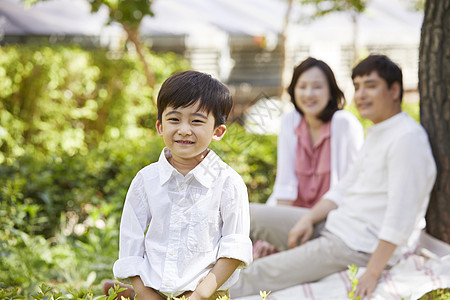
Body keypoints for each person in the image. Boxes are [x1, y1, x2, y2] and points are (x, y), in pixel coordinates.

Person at [230, 54, 437, 299]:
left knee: (258, 273)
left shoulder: (407, 139)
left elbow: (401, 217)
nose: (360, 95)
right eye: (357, 86)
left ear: (394, 90)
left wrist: (371, 273)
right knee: (245, 214)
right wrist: (308, 219)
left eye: (370, 86)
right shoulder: (380, 132)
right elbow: (343, 189)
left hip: (356, 246)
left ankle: (196, 292)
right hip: (334, 224)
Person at [112, 70, 252, 300]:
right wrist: (146, 294)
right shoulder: (146, 181)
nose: (184, 130)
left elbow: (234, 249)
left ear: (217, 131)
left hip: (207, 295)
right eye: (174, 119)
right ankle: (120, 292)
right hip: (150, 293)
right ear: (160, 127)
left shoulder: (228, 183)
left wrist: (198, 296)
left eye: (197, 121)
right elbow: (130, 244)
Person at [252, 57, 364, 258]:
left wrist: (308, 220)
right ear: (293, 91)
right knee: (256, 239)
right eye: (302, 86)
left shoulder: (345, 124)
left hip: (331, 219)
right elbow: (284, 185)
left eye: (317, 87)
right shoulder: (290, 122)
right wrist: (273, 233)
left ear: (330, 91)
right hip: (295, 218)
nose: (308, 94)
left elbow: (350, 188)